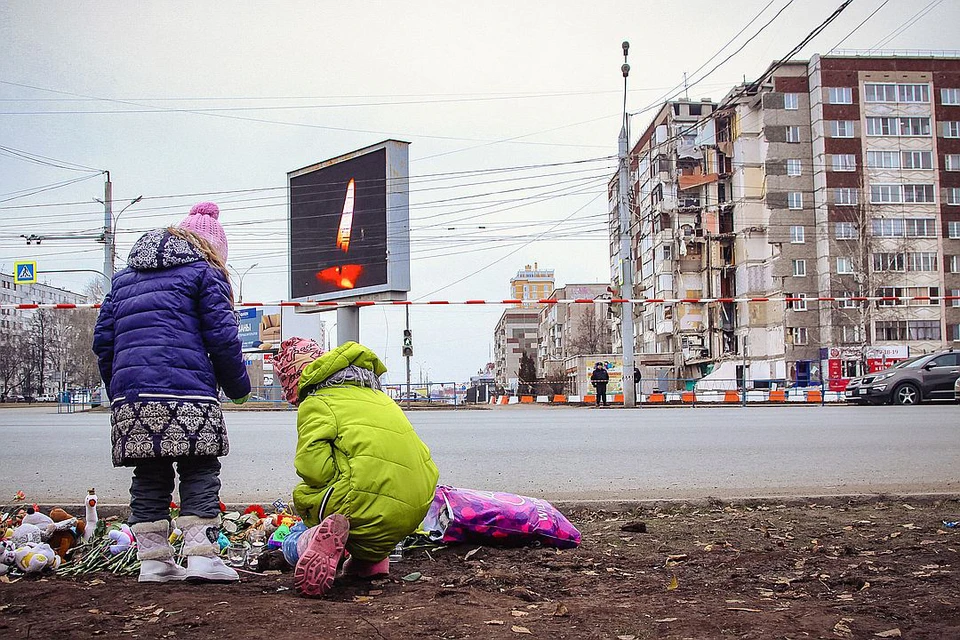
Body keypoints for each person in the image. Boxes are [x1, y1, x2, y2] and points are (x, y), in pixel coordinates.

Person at [93, 202, 251, 584]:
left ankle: (154, 563)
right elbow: (223, 337)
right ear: (212, 247)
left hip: (132, 398)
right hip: (188, 394)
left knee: (149, 472)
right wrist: (238, 386)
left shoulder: (124, 278)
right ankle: (201, 558)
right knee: (199, 467)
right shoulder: (205, 272)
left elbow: (104, 342)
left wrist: (120, 390)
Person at [273, 338, 439, 597]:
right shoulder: (379, 397)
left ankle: (307, 542)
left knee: (298, 530)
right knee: (373, 501)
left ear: (295, 380)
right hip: (415, 506)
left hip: (358, 503)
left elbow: (312, 468)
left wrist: (324, 495)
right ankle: (371, 563)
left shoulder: (317, 402)